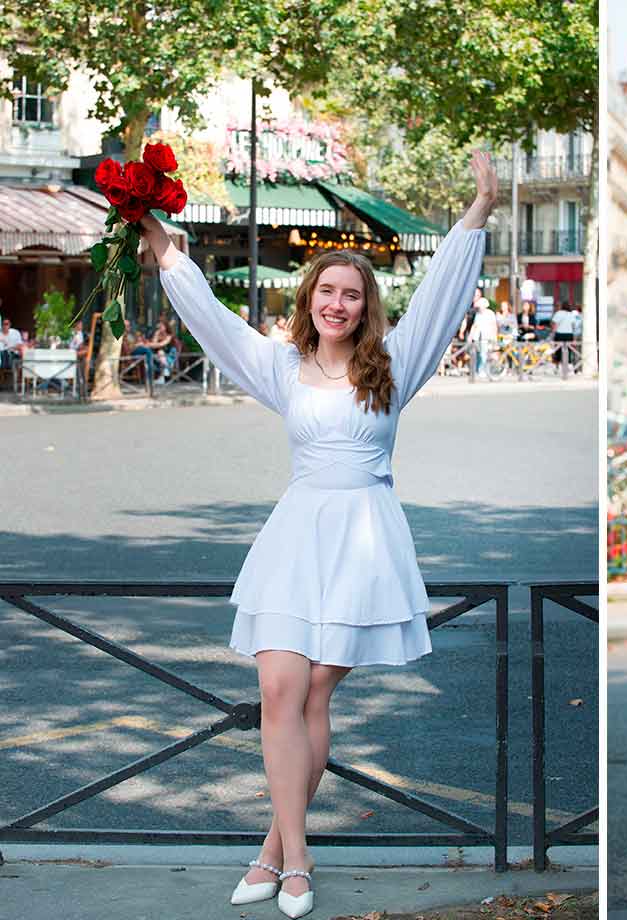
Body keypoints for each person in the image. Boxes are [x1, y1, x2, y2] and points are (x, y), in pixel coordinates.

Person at [139, 150, 496, 920]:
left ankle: (271, 851)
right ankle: (296, 859)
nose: (338, 303)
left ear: (368, 308)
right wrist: (155, 233)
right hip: (297, 536)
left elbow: (439, 297)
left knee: (313, 698)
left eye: (352, 294)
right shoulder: (278, 364)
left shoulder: (396, 365)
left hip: (365, 540)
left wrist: (478, 210)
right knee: (279, 689)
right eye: (327, 291)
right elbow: (207, 315)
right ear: (311, 299)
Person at [466, 294, 498, 377]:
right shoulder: (478, 314)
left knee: (485, 354)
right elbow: (475, 325)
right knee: (479, 354)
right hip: (478, 336)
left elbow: (494, 325)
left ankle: (483, 370)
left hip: (487, 336)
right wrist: (471, 336)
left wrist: (495, 337)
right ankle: (479, 370)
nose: (479, 307)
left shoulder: (490, 313)